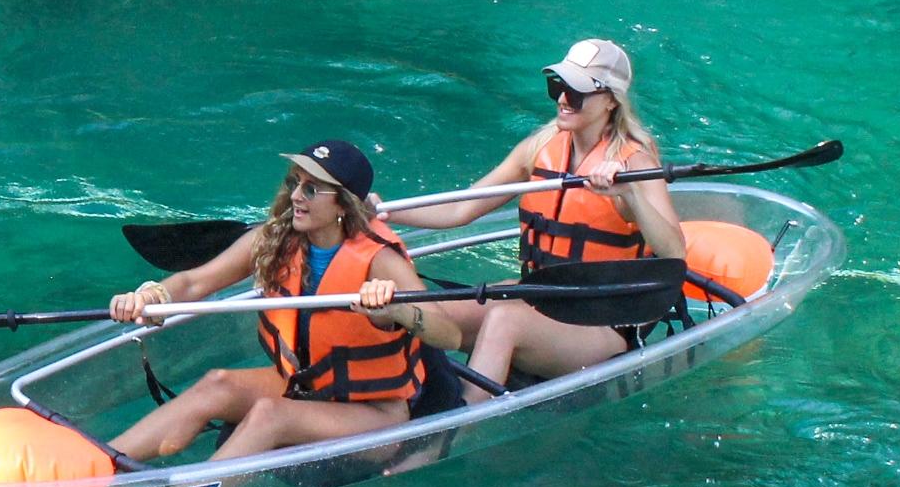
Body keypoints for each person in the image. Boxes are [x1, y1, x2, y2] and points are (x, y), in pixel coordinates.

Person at [102, 139, 462, 465]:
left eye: (311, 189)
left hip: (375, 416)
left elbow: (449, 335)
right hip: (308, 387)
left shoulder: (380, 261)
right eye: (294, 183)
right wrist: (151, 296)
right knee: (217, 383)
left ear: (343, 203)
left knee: (269, 415)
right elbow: (195, 281)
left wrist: (396, 309)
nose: (295, 197)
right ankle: (99, 464)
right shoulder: (276, 238)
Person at [416, 37, 688, 384]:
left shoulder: (635, 161)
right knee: (428, 314)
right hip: (541, 295)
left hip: (602, 321)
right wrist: (376, 212)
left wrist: (630, 195)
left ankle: (462, 424)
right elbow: (460, 210)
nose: (562, 98)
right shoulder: (540, 146)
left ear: (610, 100)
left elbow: (674, 253)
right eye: (557, 86)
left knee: (504, 319)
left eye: (575, 92)